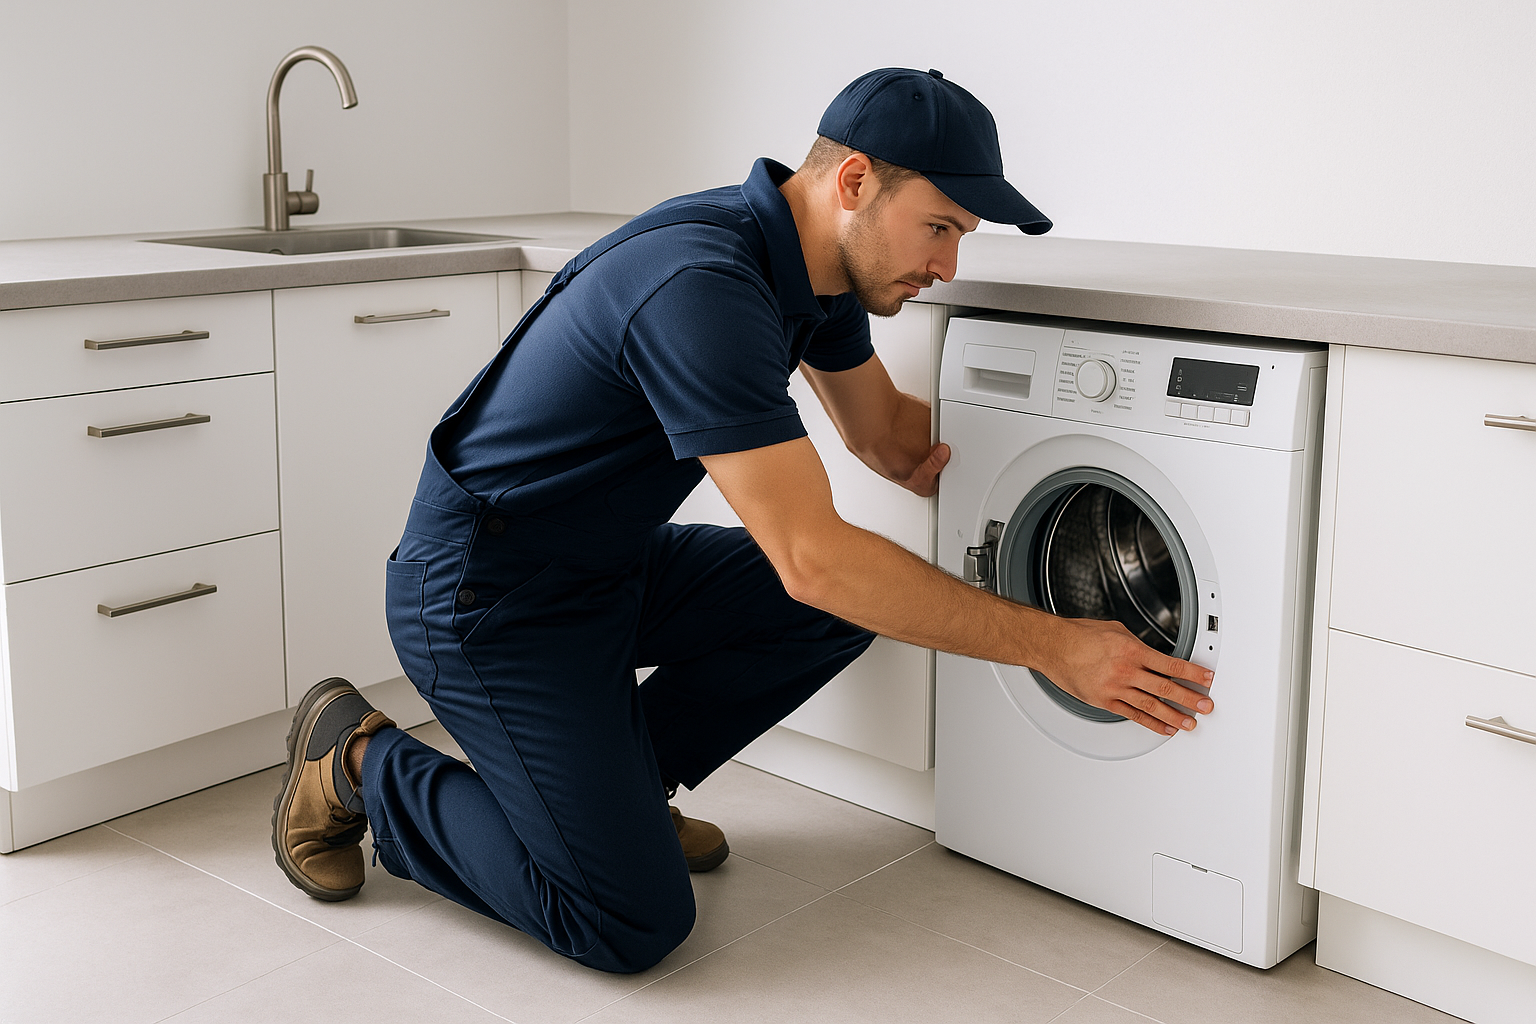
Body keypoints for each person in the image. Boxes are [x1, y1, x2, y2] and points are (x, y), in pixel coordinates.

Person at [271, 67, 1216, 974]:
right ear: (853, 183)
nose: (947, 263)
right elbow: (812, 558)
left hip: (603, 566)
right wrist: (1052, 644)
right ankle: (357, 760)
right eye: (938, 226)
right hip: (485, 597)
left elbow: (885, 437)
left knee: (848, 605)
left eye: (960, 235)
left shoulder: (817, 274)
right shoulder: (700, 286)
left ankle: (624, 796)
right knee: (627, 919)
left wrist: (1091, 439)